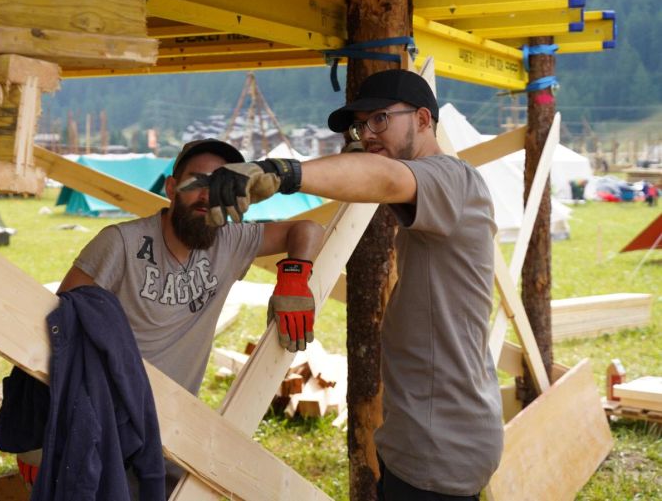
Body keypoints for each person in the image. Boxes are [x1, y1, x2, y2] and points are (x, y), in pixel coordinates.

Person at [201, 70, 504, 501]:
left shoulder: (451, 178)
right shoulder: (437, 187)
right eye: (361, 126)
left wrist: (281, 173)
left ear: (422, 118)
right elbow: (379, 177)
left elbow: (385, 178)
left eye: (379, 120)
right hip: (425, 437)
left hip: (442, 445)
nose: (367, 134)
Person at [5, 138, 324, 496]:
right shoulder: (120, 243)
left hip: (173, 429)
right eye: (197, 182)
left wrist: (294, 276)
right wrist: (41, 433)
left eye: (219, 185)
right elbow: (58, 329)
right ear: (172, 187)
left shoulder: (232, 241)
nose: (206, 195)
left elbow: (308, 229)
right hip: (105, 428)